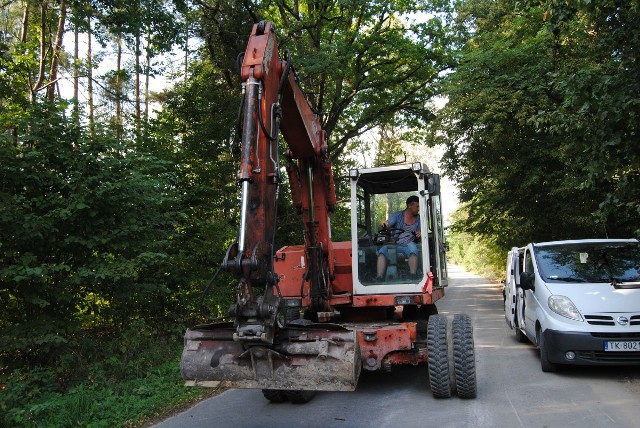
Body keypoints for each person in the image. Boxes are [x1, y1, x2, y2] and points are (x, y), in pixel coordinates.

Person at [376, 195, 422, 281]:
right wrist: (385, 223)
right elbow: (388, 224)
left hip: (409, 243)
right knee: (382, 251)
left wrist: (421, 233)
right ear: (410, 206)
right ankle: (380, 277)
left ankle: (413, 275)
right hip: (395, 243)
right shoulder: (397, 215)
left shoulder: (419, 218)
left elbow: (420, 231)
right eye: (417, 206)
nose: (419, 209)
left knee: (413, 249)